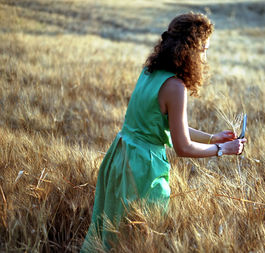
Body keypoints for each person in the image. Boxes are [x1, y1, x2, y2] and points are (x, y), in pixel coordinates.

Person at [81, 12, 246, 252]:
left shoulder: (150, 72)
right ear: (189, 49)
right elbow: (184, 147)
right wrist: (223, 149)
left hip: (120, 157)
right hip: (143, 170)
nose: (205, 57)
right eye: (204, 50)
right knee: (140, 242)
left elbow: (164, 124)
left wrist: (212, 138)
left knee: (111, 238)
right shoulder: (175, 87)